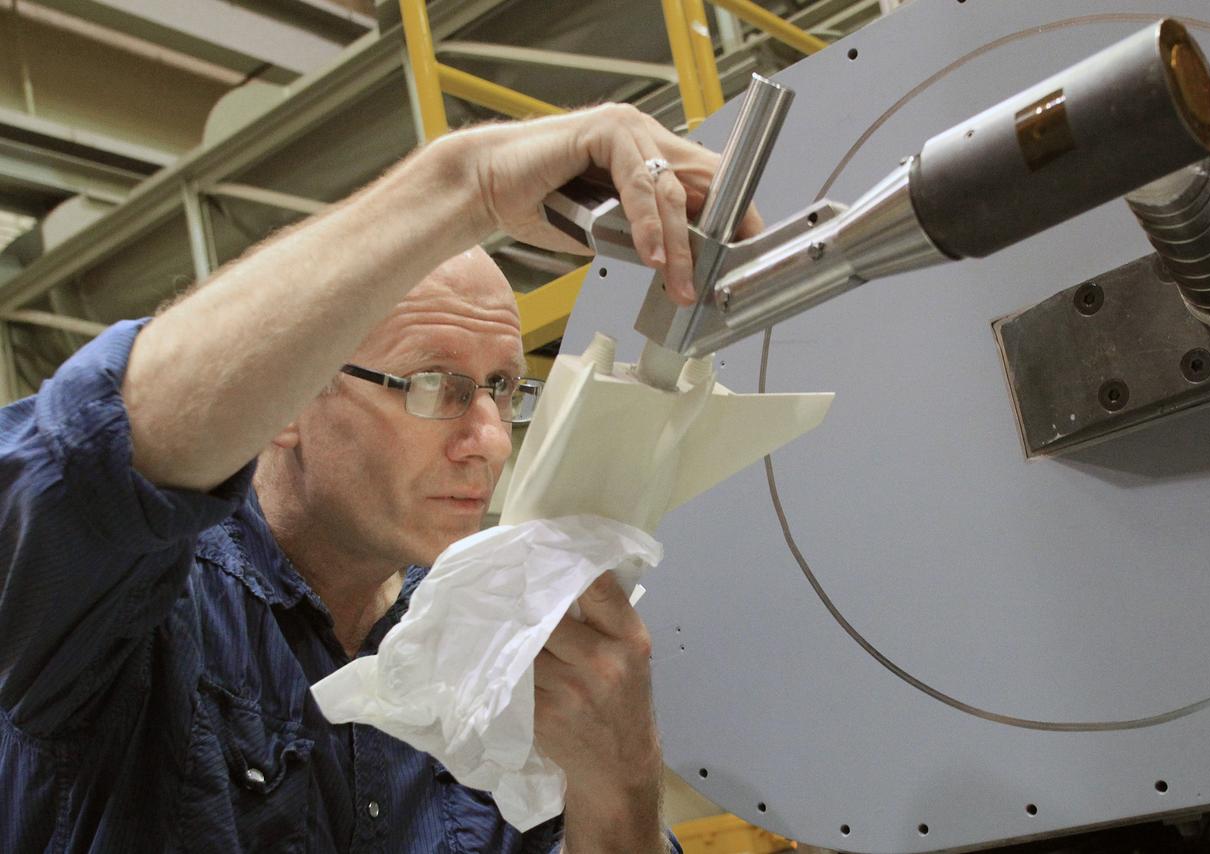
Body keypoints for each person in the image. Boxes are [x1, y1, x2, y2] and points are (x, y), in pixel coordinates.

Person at [0, 104, 760, 852]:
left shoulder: (479, 638)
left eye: (501, 388)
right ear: (290, 398)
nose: (491, 441)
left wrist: (618, 778)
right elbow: (94, 458)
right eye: (434, 386)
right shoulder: (136, 608)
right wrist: (466, 185)